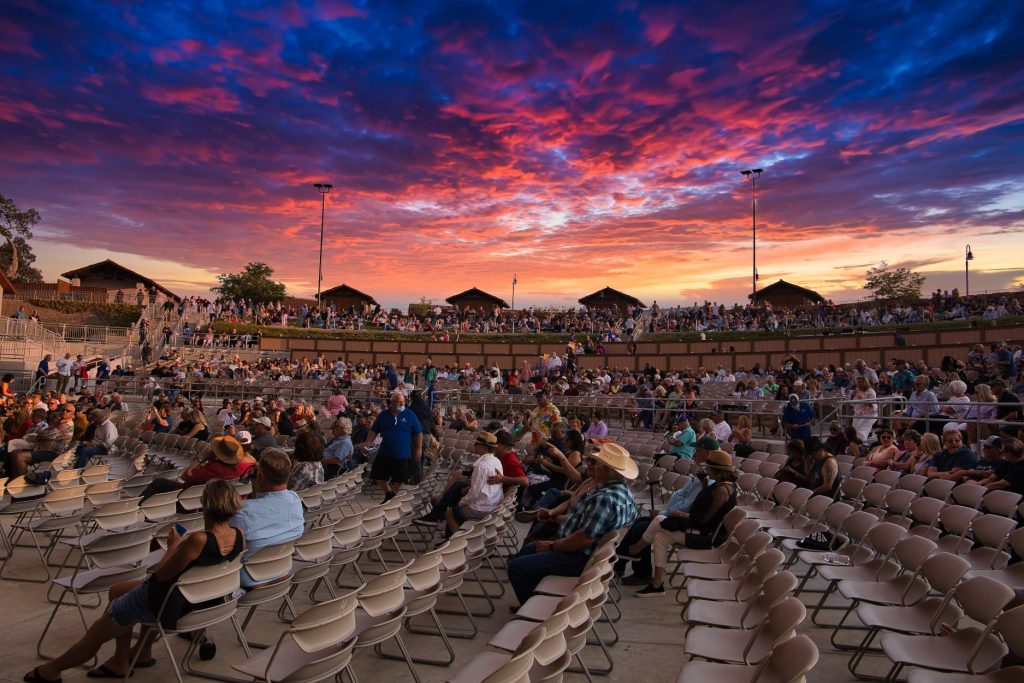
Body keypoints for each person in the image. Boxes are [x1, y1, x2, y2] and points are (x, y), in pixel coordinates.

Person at [24, 479, 245, 682]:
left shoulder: (199, 540)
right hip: (196, 600)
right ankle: (126, 658)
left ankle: (51, 670)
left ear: (205, 504)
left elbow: (160, 576)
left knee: (95, 635)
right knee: (117, 591)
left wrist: (172, 548)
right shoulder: (239, 536)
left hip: (164, 603)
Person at [507, 442, 637, 605]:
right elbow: (586, 522)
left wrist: (553, 546)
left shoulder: (604, 498)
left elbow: (583, 538)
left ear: (605, 469)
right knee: (529, 549)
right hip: (579, 551)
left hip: (578, 557)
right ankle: (537, 599)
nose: (589, 465)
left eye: (595, 462)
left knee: (517, 568)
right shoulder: (624, 493)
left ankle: (540, 610)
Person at [633, 449, 739, 597]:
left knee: (659, 521)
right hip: (704, 530)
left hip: (707, 536)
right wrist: (703, 483)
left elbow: (702, 520)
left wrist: (679, 515)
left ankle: (635, 550)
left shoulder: (721, 491)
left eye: (708, 468)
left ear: (717, 471)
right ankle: (657, 584)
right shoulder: (722, 486)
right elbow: (704, 508)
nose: (706, 470)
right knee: (660, 536)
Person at [614, 445, 724, 585]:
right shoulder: (701, 478)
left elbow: (688, 506)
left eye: (699, 450)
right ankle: (628, 563)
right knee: (641, 522)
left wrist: (663, 513)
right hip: (676, 515)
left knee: (642, 528)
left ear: (708, 453)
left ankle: (633, 566)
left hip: (685, 522)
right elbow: (680, 495)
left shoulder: (709, 484)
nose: (695, 452)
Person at [234, 448, 305, 586]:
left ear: (261, 476)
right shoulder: (295, 499)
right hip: (282, 569)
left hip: (250, 576)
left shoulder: (244, 511)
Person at [365, 391, 423, 501]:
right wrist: (368, 442)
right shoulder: (383, 415)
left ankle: (392, 496)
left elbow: (418, 433)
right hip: (385, 453)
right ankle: (389, 492)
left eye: (403, 402)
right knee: (377, 475)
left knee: (400, 479)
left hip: (403, 454)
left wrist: (418, 448)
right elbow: (374, 430)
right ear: (391, 402)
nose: (401, 404)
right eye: (398, 402)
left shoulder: (410, 415)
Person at [181, 435, 256, 488]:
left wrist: (201, 458)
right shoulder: (239, 468)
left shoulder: (215, 468)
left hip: (186, 496)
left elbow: (185, 476)